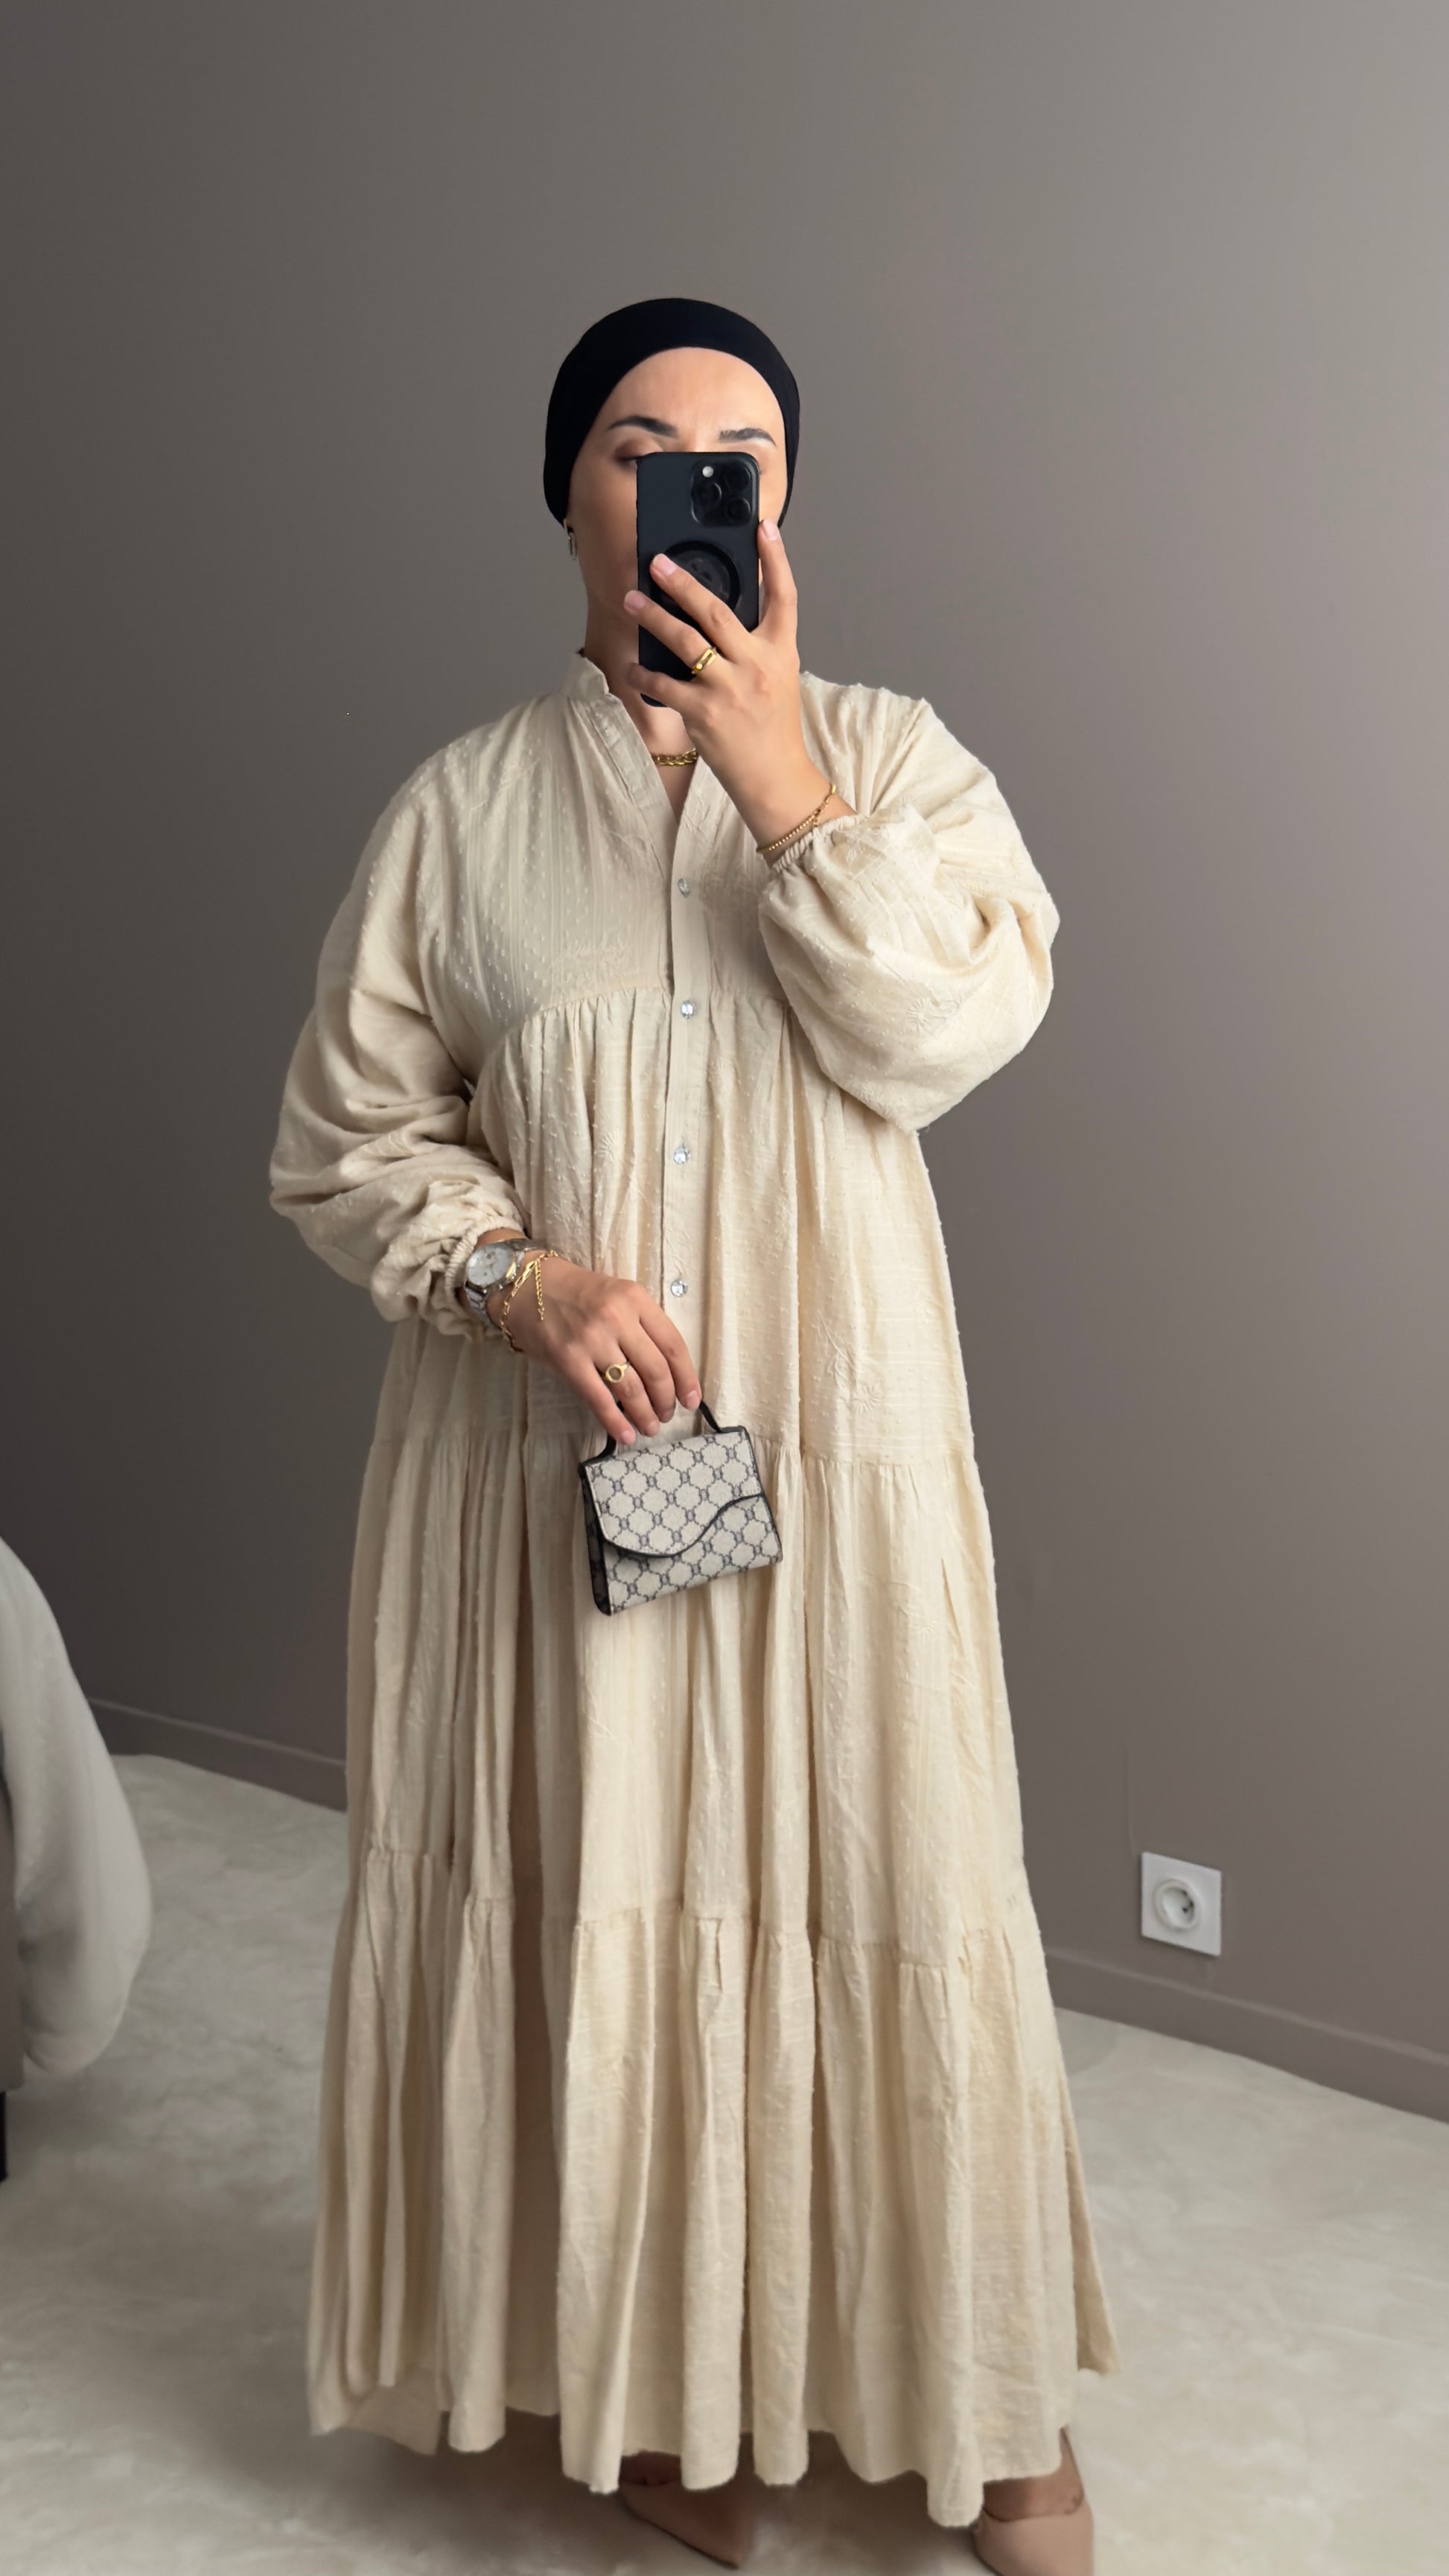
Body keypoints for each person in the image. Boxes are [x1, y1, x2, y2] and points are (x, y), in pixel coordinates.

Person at [269, 296, 1122, 2572]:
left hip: (834, 1456)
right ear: (566, 490)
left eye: (738, 454)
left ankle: (986, 2410)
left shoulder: (895, 763)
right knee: (604, 1887)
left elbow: (942, 1031)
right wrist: (516, 1278)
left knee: (888, 1871)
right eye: (643, 446)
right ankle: (654, 2392)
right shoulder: (458, 811)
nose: (691, 486)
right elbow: (345, 1139)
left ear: (785, 504)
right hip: (548, 1467)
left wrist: (782, 785)